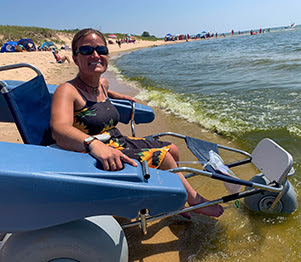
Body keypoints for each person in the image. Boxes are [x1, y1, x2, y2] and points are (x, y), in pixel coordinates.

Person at [50, 28, 224, 218]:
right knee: (163, 157)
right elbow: (59, 129)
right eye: (86, 51)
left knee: (173, 148)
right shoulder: (67, 90)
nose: (95, 55)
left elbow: (107, 92)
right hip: (93, 153)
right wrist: (94, 145)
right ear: (75, 58)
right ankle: (193, 200)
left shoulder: (102, 84)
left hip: (117, 140)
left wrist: (119, 96)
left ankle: (169, 195)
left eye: (101, 49)